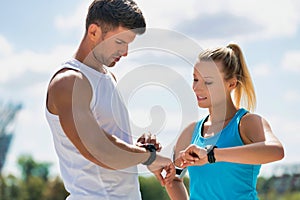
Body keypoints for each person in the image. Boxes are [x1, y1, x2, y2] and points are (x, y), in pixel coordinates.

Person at [45, 0, 175, 199]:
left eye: (128, 44)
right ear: (94, 32)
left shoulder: (108, 78)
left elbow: (111, 141)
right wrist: (150, 157)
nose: (125, 53)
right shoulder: (68, 82)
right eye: (120, 42)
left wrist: (140, 150)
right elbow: (97, 149)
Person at [165, 43, 285, 200]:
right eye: (195, 79)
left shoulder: (246, 123)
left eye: (208, 82)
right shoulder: (191, 132)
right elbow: (173, 178)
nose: (196, 88)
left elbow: (276, 150)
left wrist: (212, 155)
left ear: (231, 84)